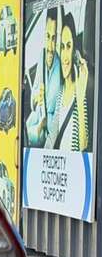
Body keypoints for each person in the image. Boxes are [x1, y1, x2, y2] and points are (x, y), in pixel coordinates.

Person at [46, 10, 92, 152]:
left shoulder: (80, 92)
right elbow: (52, 138)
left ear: (75, 52)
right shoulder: (60, 92)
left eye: (69, 46)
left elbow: (84, 145)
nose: (65, 57)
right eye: (62, 47)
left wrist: (79, 96)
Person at [25, 9, 61, 147]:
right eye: (48, 37)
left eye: (54, 38)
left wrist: (41, 127)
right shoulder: (42, 55)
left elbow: (54, 110)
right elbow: (34, 95)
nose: (51, 47)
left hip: (49, 138)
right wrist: (36, 98)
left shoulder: (61, 67)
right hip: (37, 129)